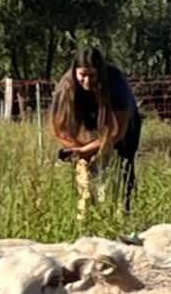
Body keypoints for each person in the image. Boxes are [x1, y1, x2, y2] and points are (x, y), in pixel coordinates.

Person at [52, 43, 141, 218]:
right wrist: (78, 151)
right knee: (86, 173)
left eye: (93, 75)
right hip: (87, 122)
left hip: (121, 126)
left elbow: (117, 132)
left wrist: (90, 149)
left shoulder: (117, 86)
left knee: (123, 167)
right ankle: (85, 212)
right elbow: (58, 126)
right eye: (83, 75)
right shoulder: (66, 86)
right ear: (75, 71)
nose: (87, 81)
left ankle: (123, 211)